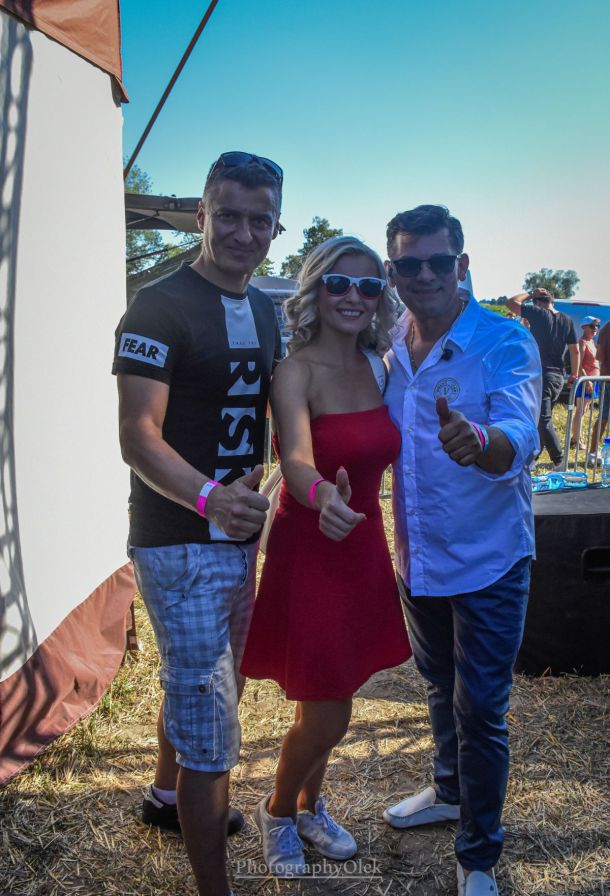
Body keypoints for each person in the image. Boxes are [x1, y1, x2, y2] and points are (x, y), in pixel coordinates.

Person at [112, 151, 284, 896]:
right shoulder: (158, 306)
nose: (244, 233)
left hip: (239, 539)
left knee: (209, 685)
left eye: (261, 220)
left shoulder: (267, 309)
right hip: (179, 540)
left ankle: (164, 795)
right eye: (229, 216)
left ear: (275, 226)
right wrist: (211, 498)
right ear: (202, 215)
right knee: (210, 721)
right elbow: (137, 436)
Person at [382, 205, 541, 896]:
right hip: (418, 557)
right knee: (437, 683)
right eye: (408, 264)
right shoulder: (389, 342)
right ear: (393, 271)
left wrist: (482, 442)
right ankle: (449, 791)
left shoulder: (504, 341)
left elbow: (519, 432)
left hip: (489, 560)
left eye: (439, 262)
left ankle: (478, 855)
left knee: (480, 708)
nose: (425, 276)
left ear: (463, 265)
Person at [241, 236, 411, 877]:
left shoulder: (380, 366)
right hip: (312, 544)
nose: (353, 296)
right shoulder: (296, 371)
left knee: (336, 689)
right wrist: (321, 497)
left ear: (380, 297)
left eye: (368, 286)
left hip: (361, 543)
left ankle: (312, 805)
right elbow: (295, 460)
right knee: (329, 707)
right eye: (339, 283)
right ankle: (278, 810)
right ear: (316, 289)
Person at [506, 287, 578, 468]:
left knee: (542, 421)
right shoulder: (567, 320)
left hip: (543, 375)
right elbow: (574, 350)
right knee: (543, 419)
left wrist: (530, 293)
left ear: (537, 302)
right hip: (558, 377)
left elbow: (511, 303)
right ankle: (532, 459)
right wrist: (574, 374)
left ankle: (559, 460)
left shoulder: (538, 313)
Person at [570, 316, 600, 450]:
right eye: (592, 326)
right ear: (584, 327)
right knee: (580, 410)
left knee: (584, 410)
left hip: (592, 381)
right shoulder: (582, 342)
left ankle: (576, 438)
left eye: (597, 326)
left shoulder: (592, 342)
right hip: (586, 381)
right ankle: (576, 440)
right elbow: (579, 364)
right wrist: (587, 381)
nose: (595, 329)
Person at [588, 318, 610, 462]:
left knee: (602, 416)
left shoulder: (605, 328)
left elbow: (599, 356)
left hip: (605, 377)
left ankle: (593, 452)